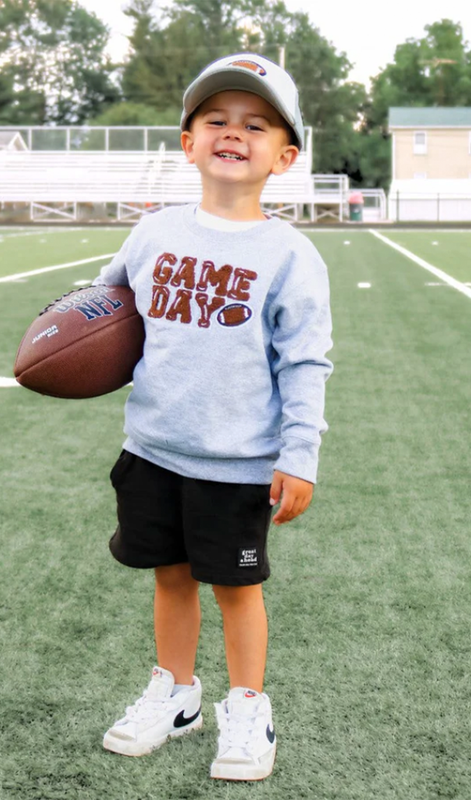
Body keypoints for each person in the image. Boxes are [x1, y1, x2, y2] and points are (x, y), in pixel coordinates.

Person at [94, 52, 333, 781]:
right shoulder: (154, 232)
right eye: (216, 120)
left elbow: (304, 363)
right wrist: (61, 331)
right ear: (187, 141)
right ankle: (176, 692)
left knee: (235, 587)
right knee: (169, 577)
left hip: (235, 460)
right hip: (154, 446)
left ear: (283, 156)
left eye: (254, 124)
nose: (233, 133)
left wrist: (299, 453)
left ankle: (247, 703)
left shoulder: (290, 255)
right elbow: (104, 304)